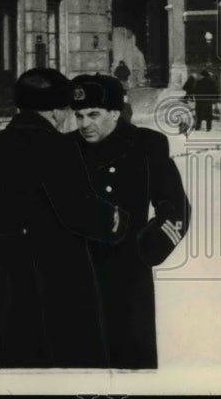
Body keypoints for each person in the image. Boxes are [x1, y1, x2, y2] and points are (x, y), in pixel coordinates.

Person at [0, 68, 128, 369]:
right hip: (60, 299)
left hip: (5, 298)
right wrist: (116, 218)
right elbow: (81, 212)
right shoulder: (61, 149)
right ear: (55, 111)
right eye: (66, 109)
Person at [68, 74, 191, 370]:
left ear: (113, 112)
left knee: (130, 361)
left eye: (93, 114)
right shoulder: (64, 149)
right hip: (73, 277)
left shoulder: (147, 146)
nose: (85, 124)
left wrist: (145, 250)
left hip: (128, 277)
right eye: (80, 115)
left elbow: (176, 208)